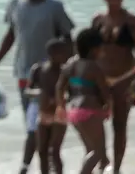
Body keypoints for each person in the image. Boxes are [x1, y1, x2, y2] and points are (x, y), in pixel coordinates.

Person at [0, 0, 74, 174]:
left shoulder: (54, 7)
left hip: (52, 77)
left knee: (48, 125)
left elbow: (69, 40)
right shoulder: (15, 5)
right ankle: (32, 166)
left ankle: (36, 166)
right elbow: (10, 37)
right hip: (25, 74)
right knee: (33, 125)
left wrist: (72, 70)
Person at [90, 0, 135, 172]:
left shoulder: (132, 22)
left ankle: (116, 168)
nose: (113, 1)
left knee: (119, 125)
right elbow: (89, 51)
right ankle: (102, 159)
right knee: (94, 123)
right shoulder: (97, 20)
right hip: (100, 78)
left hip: (125, 77)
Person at [56, 29, 111, 174]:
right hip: (90, 111)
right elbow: (104, 90)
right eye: (102, 49)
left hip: (73, 112)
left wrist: (61, 106)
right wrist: (108, 107)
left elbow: (59, 87)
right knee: (99, 152)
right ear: (94, 50)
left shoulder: (69, 65)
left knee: (90, 150)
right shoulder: (94, 67)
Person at [24, 38, 72, 174]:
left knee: (54, 151)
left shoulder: (66, 71)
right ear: (52, 54)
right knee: (42, 151)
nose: (67, 56)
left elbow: (73, 93)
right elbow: (27, 91)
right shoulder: (38, 69)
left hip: (59, 114)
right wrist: (40, 94)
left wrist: (61, 99)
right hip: (43, 114)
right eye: (63, 53)